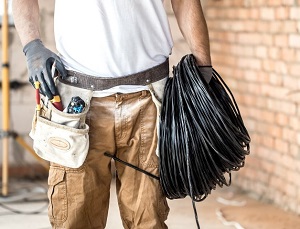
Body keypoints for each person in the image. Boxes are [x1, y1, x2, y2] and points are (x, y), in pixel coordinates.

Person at [12, 0, 212, 228]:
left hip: (149, 101)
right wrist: (31, 46)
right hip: (79, 107)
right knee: (75, 220)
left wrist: (203, 65)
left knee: (148, 220)